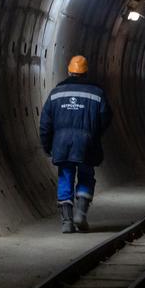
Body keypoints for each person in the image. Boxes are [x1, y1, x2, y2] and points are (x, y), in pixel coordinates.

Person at [40, 55, 113, 233]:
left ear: (68, 71)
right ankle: (81, 214)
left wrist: (47, 145)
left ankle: (67, 222)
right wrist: (94, 135)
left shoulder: (56, 93)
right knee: (86, 175)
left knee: (65, 177)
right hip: (86, 144)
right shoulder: (97, 93)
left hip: (62, 145)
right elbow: (106, 117)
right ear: (86, 72)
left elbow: (45, 123)